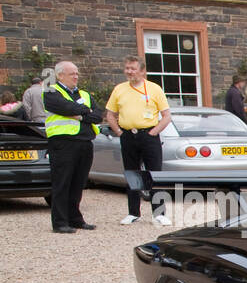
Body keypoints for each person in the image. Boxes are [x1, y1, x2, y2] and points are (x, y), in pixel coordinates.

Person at [105, 55, 172, 225]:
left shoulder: (154, 89)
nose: (129, 72)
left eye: (133, 68)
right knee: (131, 173)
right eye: (127, 68)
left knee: (154, 173)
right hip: (128, 135)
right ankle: (133, 212)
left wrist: (153, 132)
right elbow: (110, 115)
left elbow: (166, 115)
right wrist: (120, 132)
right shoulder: (119, 89)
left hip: (148, 135)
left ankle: (159, 213)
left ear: (142, 71)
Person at [43, 61, 103, 234]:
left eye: (77, 73)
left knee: (78, 183)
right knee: (62, 183)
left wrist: (81, 115)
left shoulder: (84, 93)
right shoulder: (51, 91)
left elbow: (98, 116)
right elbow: (63, 107)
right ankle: (60, 222)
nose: (76, 76)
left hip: (85, 143)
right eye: (72, 73)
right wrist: (86, 111)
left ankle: (75, 219)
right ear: (60, 75)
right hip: (63, 143)